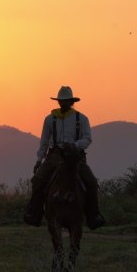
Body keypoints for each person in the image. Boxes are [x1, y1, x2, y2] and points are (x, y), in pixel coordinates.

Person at [23, 86, 105, 230]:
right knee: (37, 180)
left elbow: (87, 139)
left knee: (91, 181)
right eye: (61, 101)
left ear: (71, 101)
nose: (63, 103)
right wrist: (39, 159)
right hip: (54, 156)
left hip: (75, 157)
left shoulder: (82, 118)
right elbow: (44, 141)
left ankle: (93, 215)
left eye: (66, 101)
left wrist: (74, 145)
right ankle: (35, 213)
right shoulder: (49, 119)